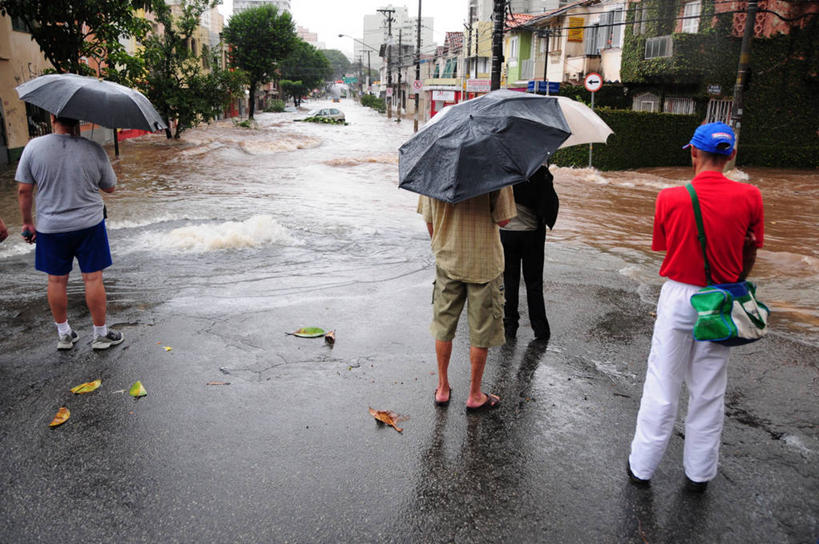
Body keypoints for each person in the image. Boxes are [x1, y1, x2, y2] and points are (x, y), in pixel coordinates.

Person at [627, 122, 764, 492]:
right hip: (720, 300)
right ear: (731, 155)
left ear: (693, 152)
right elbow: (749, 251)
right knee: (708, 389)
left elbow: (665, 246)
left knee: (662, 382)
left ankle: (642, 467)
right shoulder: (751, 196)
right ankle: (699, 473)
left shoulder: (670, 198)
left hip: (679, 297)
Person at [16, 114, 124, 351]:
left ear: (53, 117)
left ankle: (64, 335)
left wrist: (27, 223)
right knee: (93, 278)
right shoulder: (93, 149)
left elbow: (24, 190)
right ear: (78, 119)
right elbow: (110, 187)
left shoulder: (33, 147)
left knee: (56, 280)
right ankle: (100, 335)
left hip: (51, 228)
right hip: (89, 226)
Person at [418, 187, 516, 411]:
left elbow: (429, 220)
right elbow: (504, 220)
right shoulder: (496, 168)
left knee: (444, 326)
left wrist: (443, 245)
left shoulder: (433, 168)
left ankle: (442, 388)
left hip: (447, 261)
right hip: (484, 262)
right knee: (481, 330)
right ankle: (474, 394)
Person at [500, 164, 559, 342]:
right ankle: (540, 328)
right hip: (532, 234)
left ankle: (510, 326)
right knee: (534, 282)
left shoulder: (503, 171)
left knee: (509, 280)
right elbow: (549, 204)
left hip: (507, 233)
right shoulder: (538, 172)